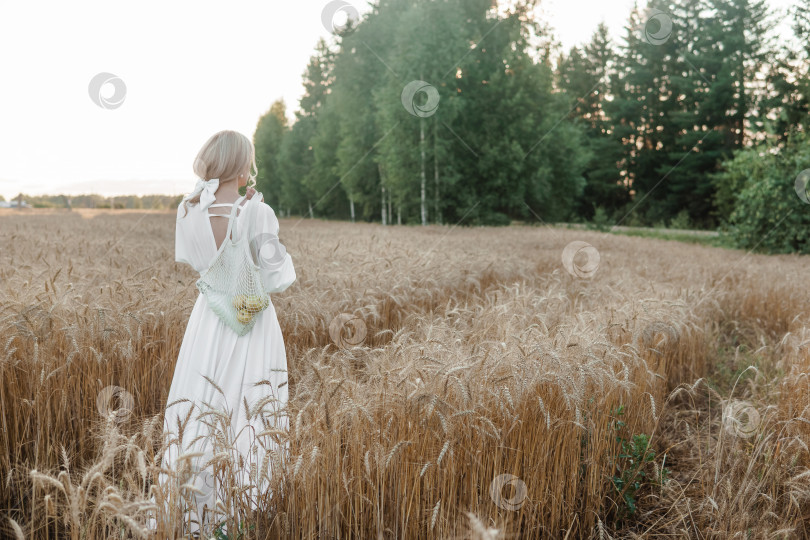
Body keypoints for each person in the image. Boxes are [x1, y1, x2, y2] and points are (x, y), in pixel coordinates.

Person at [147, 130, 296, 536]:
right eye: (249, 159)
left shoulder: (188, 209)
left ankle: (184, 510)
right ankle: (239, 512)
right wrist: (255, 222)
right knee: (250, 406)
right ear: (240, 164)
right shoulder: (256, 211)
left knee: (197, 403)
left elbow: (195, 260)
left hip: (208, 319)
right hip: (251, 319)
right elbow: (277, 276)